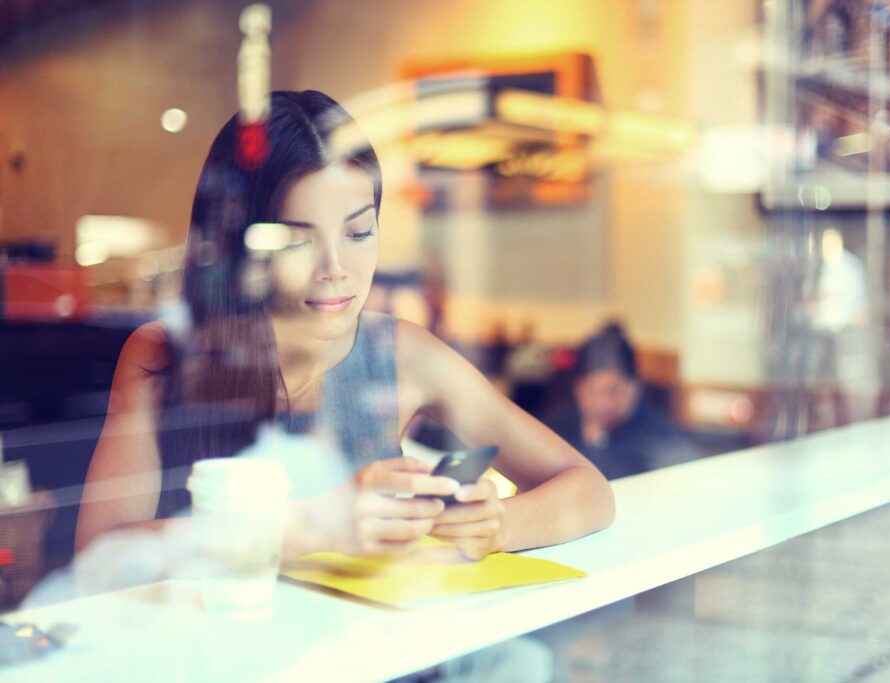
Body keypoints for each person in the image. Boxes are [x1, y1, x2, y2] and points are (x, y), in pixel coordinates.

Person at [75, 90, 614, 563]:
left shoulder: (400, 353)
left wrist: (497, 524)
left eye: (358, 234)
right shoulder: (160, 356)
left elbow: (589, 491)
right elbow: (100, 554)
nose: (335, 268)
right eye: (298, 239)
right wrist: (311, 527)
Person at [546, 323, 692, 479]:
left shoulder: (661, 443)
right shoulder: (555, 430)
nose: (603, 404)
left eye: (614, 391)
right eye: (591, 392)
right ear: (576, 388)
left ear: (636, 386)